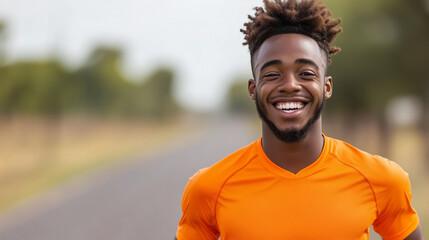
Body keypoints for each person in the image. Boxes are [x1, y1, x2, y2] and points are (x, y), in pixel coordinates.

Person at [176, 0, 424, 239]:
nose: (290, 85)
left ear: (326, 86)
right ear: (253, 89)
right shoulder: (209, 188)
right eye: (272, 74)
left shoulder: (382, 180)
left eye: (306, 73)